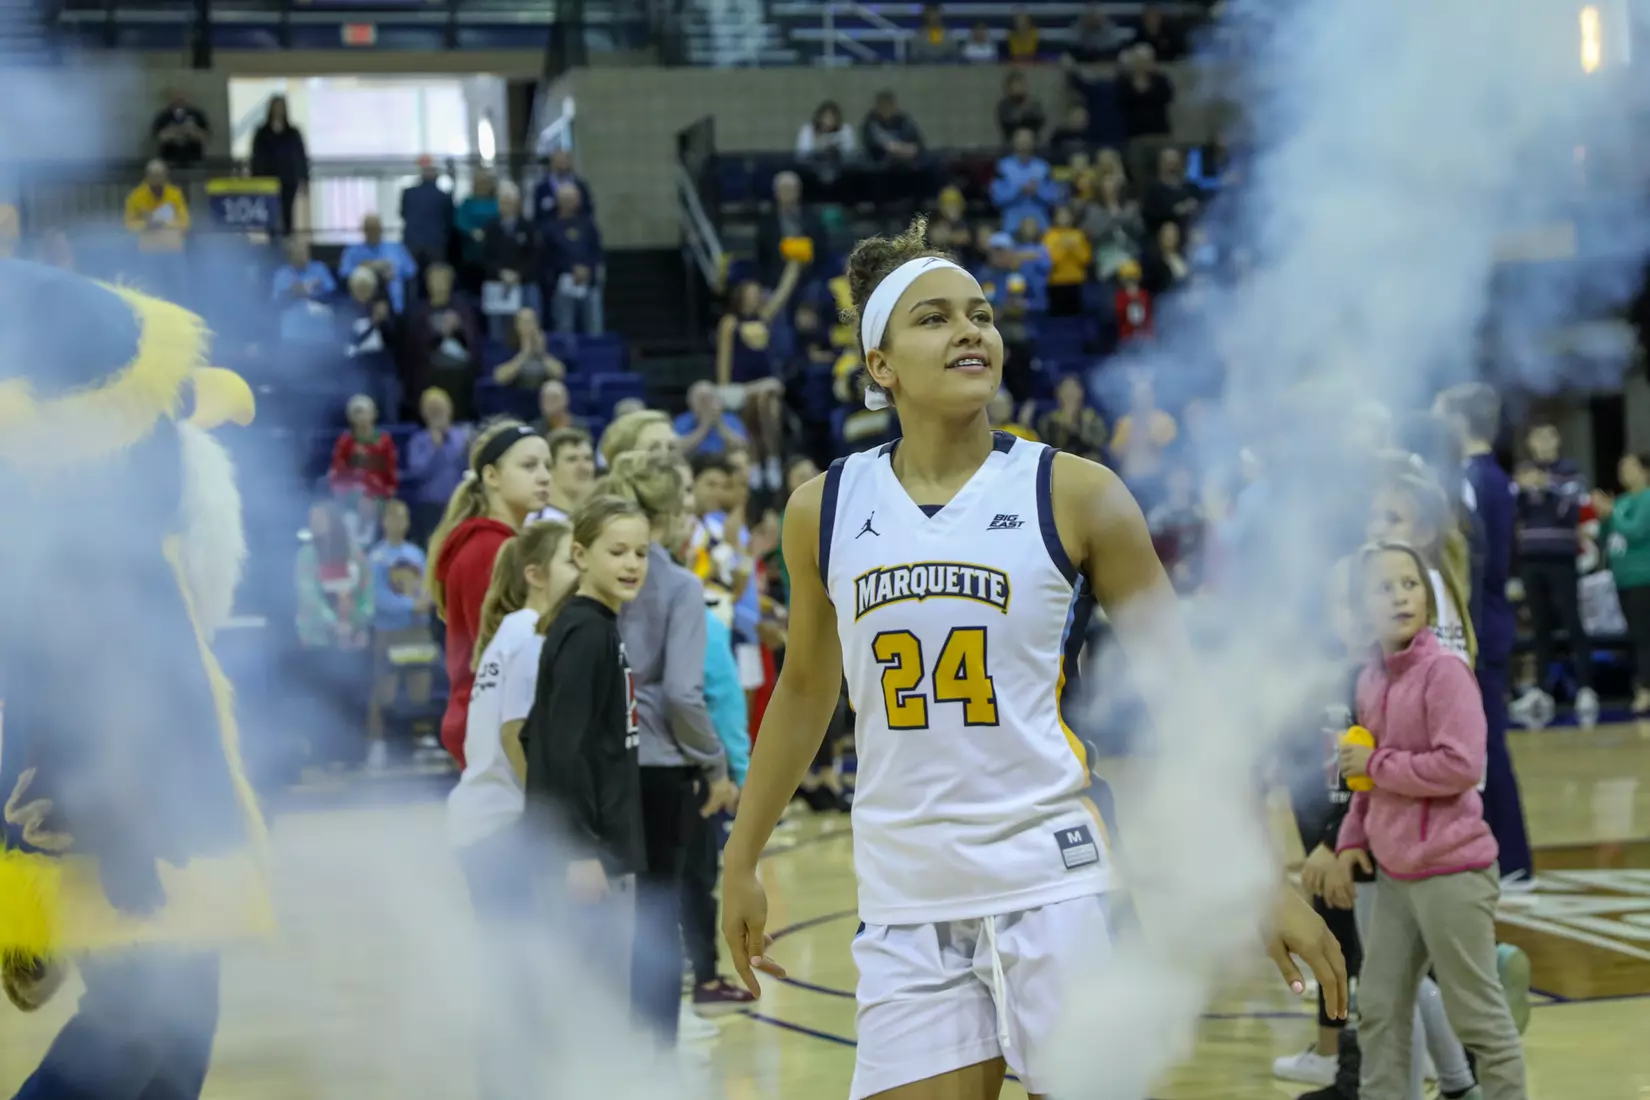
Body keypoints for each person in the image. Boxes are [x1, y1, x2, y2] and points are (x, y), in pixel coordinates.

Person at [719, 220, 1346, 1100]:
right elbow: (806, 691)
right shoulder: (820, 509)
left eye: (980, 313)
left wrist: (1258, 872)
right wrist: (740, 860)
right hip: (903, 892)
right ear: (880, 366)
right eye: (934, 319)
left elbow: (1186, 701)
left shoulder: (1079, 494)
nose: (971, 331)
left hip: (1058, 887)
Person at [1333, 542, 1530, 1100]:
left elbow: (1461, 766)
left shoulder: (1445, 673)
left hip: (1453, 872)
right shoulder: (1371, 678)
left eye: (1410, 584)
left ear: (1428, 596)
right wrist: (1351, 838)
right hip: (1397, 875)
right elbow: (1368, 783)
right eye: (1384, 588)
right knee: (1378, 1010)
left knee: (1480, 1020)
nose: (1400, 596)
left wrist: (1375, 763)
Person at [600, 452, 737, 1045]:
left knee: (604, 926)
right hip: (660, 770)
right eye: (683, 503)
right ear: (667, 512)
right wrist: (715, 763)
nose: (690, 516)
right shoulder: (678, 585)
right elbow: (684, 694)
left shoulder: (598, 572)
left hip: (602, 763)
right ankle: (653, 1061)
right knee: (655, 920)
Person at [448, 521, 580, 1100]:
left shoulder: (511, 630)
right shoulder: (531, 634)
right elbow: (514, 735)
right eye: (571, 560)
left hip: (480, 825)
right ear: (536, 575)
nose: (582, 569)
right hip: (502, 828)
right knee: (521, 973)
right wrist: (553, 829)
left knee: (513, 970)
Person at [519, 496, 652, 1002]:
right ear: (580, 554)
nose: (631, 564)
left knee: (600, 997)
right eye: (617, 551)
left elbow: (537, 733)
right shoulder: (584, 632)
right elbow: (556, 744)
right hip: (590, 859)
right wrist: (577, 852)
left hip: (606, 853)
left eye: (641, 553)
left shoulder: (596, 626)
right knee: (590, 1004)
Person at [1434, 383, 1532, 888]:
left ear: (1457, 422)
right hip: (1490, 624)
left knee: (1486, 747)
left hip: (1481, 631)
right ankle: (1508, 856)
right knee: (1485, 746)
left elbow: (1476, 568)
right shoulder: (1490, 477)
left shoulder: (1475, 481)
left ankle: (1512, 859)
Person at [428, 422, 554, 766]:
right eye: (529, 466)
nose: (544, 476)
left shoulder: (499, 543)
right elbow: (500, 655)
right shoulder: (490, 548)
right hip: (499, 728)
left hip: (495, 721)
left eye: (547, 466)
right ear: (492, 476)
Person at [1510, 422, 1596, 728]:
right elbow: (1513, 513)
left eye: (1548, 436)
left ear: (1557, 440)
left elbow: (1572, 511)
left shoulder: (1571, 472)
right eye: (1537, 437)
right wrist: (1520, 490)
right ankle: (1542, 690)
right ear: (1530, 443)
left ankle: (1586, 688)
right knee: (1540, 625)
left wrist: (1546, 485)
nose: (1542, 442)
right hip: (1531, 558)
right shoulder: (1522, 471)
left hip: (1562, 556)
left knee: (1573, 621)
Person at [716, 267, 800, 493]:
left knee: (766, 401)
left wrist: (793, 267)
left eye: (757, 294)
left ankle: (770, 461)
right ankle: (756, 461)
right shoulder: (729, 323)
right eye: (750, 294)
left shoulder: (763, 317)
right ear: (740, 295)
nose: (754, 299)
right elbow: (724, 359)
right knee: (758, 402)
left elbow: (782, 295)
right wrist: (723, 390)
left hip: (765, 387)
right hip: (741, 388)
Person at [366, 499, 432, 769]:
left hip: (417, 630)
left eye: (403, 517)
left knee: (422, 684)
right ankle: (378, 743)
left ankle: (422, 738)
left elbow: (425, 586)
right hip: (388, 631)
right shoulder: (376, 558)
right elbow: (377, 598)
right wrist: (409, 605)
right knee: (385, 688)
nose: (398, 523)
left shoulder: (416, 554)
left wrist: (427, 602)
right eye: (393, 518)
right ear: (384, 523)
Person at [1595, 453, 1650, 715]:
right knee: (1634, 635)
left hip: (1644, 577)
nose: (1624, 472)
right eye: (1621, 467)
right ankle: (1640, 685)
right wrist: (1604, 518)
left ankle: (1644, 689)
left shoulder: (1647, 498)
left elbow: (1636, 531)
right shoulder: (1623, 501)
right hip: (1623, 578)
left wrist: (1612, 511)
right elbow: (1607, 535)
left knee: (1643, 636)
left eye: (1630, 467)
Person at [249, 94, 308, 235]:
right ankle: (272, 242)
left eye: (281, 107)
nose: (278, 110)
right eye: (276, 107)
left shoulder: (293, 132)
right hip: (268, 179)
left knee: (287, 210)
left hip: (288, 177)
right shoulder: (262, 132)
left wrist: (304, 178)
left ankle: (288, 239)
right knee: (270, 212)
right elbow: (256, 156)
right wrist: (255, 179)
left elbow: (301, 156)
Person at [531, 426, 598, 525]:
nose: (584, 467)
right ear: (550, 468)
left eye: (588, 458)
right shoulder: (534, 523)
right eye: (572, 459)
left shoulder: (597, 521)